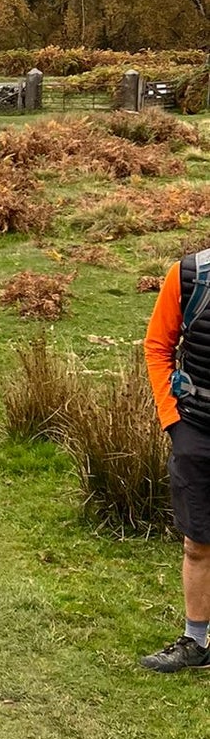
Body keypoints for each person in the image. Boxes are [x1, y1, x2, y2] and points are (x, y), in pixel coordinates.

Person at [142, 249, 210, 670]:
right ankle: (196, 642)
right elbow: (157, 346)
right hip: (196, 430)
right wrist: (174, 422)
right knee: (198, 543)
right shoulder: (189, 275)